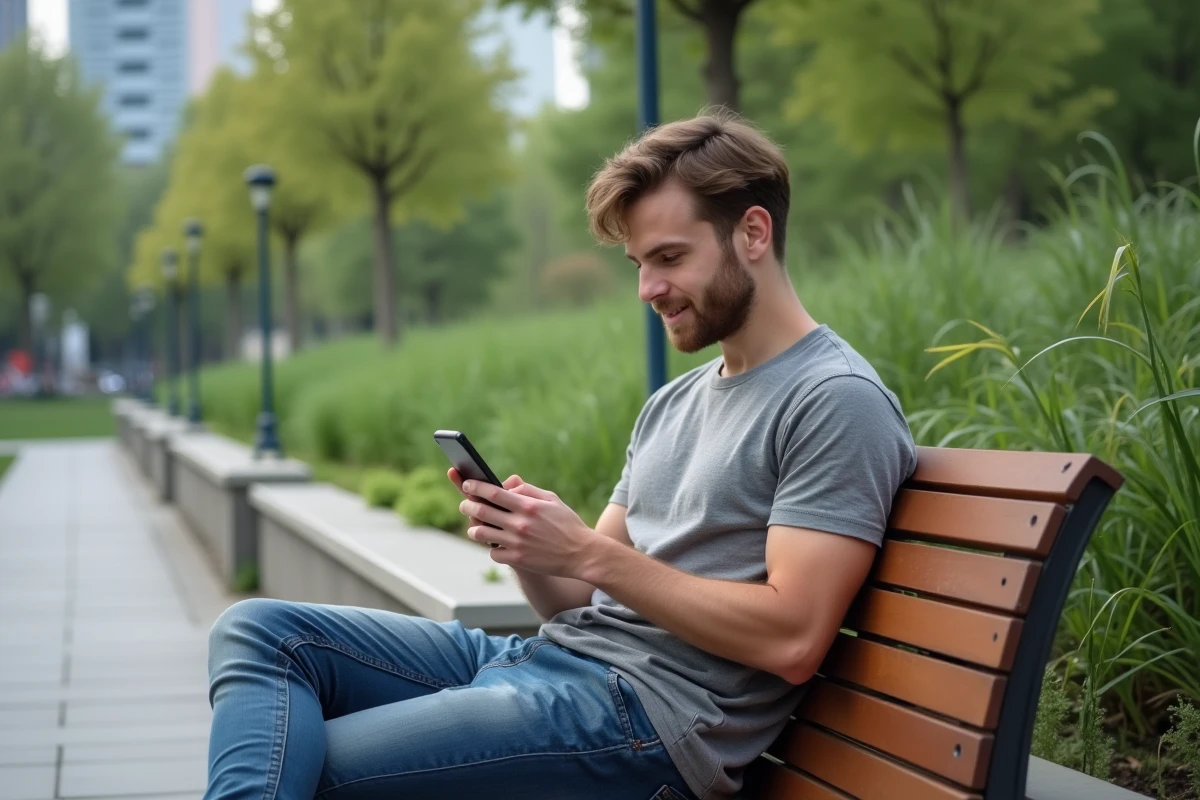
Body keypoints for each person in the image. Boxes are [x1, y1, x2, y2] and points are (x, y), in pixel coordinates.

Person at [203, 111, 917, 800]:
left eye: (670, 258)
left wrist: (588, 555)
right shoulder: (675, 403)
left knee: (311, 767)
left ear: (753, 233)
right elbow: (576, 599)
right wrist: (533, 545)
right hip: (555, 664)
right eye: (640, 263)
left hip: (642, 724)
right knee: (259, 632)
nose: (648, 290)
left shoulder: (833, 400)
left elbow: (793, 635)